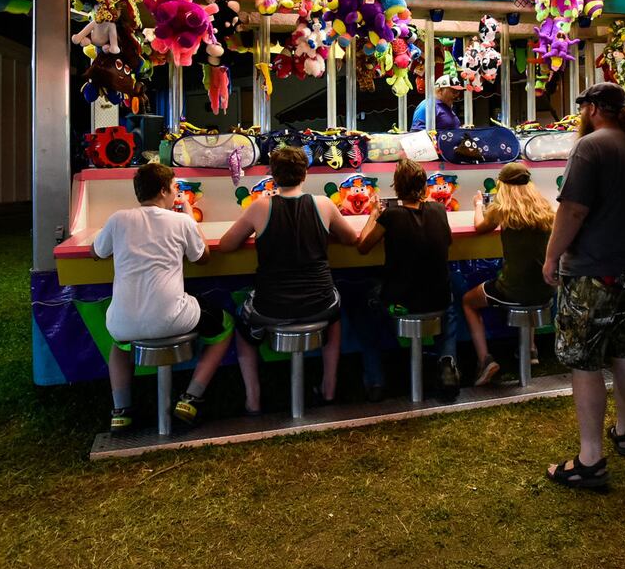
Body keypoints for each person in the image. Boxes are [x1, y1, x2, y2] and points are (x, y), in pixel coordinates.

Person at [541, 82, 625, 490]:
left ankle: (590, 459)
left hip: (594, 272)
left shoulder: (590, 147)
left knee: (586, 360)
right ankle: (624, 432)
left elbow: (573, 209)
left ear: (593, 109)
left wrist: (551, 255)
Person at [93, 161, 234, 435]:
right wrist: (191, 218)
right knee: (225, 325)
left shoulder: (118, 219)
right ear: (162, 191)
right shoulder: (181, 221)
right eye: (173, 188)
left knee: (119, 345)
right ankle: (192, 397)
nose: (175, 193)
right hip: (174, 318)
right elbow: (202, 258)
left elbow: (96, 252)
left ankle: (121, 411)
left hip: (123, 323)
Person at [215, 145, 358, 412]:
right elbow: (351, 238)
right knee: (335, 316)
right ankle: (329, 387)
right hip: (320, 304)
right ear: (304, 174)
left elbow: (226, 245)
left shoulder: (260, 207)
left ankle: (253, 399)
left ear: (273, 176)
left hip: (271, 305)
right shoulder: (324, 205)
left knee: (243, 329)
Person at [353, 158, 460, 400]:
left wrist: (373, 215)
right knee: (449, 306)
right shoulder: (439, 210)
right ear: (424, 186)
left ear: (397, 187)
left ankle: (375, 379)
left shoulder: (390, 216)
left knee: (363, 302)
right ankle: (447, 362)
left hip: (398, 306)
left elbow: (362, 247)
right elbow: (449, 241)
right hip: (437, 303)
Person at [463, 162, 555, 386]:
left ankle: (485, 360)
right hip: (546, 288)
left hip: (513, 290)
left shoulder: (501, 210)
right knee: (529, 275)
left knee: (468, 301)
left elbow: (479, 227)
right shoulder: (545, 208)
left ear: (502, 185)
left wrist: (477, 205)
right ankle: (531, 349)